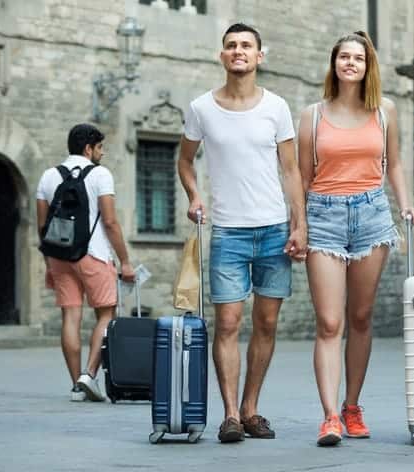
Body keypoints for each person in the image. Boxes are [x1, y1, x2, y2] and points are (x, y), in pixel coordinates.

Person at [177, 23, 307, 443]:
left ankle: (252, 408)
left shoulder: (277, 107)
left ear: (259, 56)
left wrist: (298, 223)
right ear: (222, 55)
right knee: (228, 323)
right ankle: (230, 415)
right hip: (228, 232)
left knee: (266, 324)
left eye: (246, 46)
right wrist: (195, 194)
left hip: (273, 230)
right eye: (231, 45)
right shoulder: (201, 108)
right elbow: (185, 161)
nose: (238, 51)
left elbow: (291, 170)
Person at [297, 31, 414, 446]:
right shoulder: (312, 116)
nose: (351, 63)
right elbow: (300, 176)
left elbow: (396, 164)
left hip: (372, 215)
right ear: (333, 64)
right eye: (344, 57)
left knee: (361, 318)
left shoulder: (384, 111)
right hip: (324, 216)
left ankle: (352, 406)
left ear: (369, 67)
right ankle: (330, 416)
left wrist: (406, 204)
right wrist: (298, 224)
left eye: (359, 58)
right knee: (330, 322)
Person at [36, 123, 135, 402]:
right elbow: (111, 222)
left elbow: (42, 226)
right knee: (106, 313)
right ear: (88, 148)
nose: (102, 153)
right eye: (100, 147)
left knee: (70, 315)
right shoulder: (100, 174)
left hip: (59, 256)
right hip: (94, 254)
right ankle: (89, 375)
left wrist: (48, 265)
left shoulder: (48, 176)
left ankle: (76, 386)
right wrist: (125, 262)